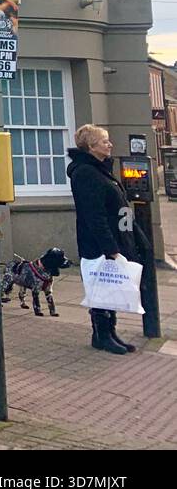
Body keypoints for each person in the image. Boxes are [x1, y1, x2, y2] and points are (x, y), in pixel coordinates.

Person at [68, 124, 149, 355]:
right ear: (91, 146)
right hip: (98, 244)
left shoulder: (101, 170)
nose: (110, 144)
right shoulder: (85, 173)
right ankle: (101, 335)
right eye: (104, 141)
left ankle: (110, 332)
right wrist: (111, 249)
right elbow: (94, 216)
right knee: (101, 288)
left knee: (110, 288)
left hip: (115, 238)